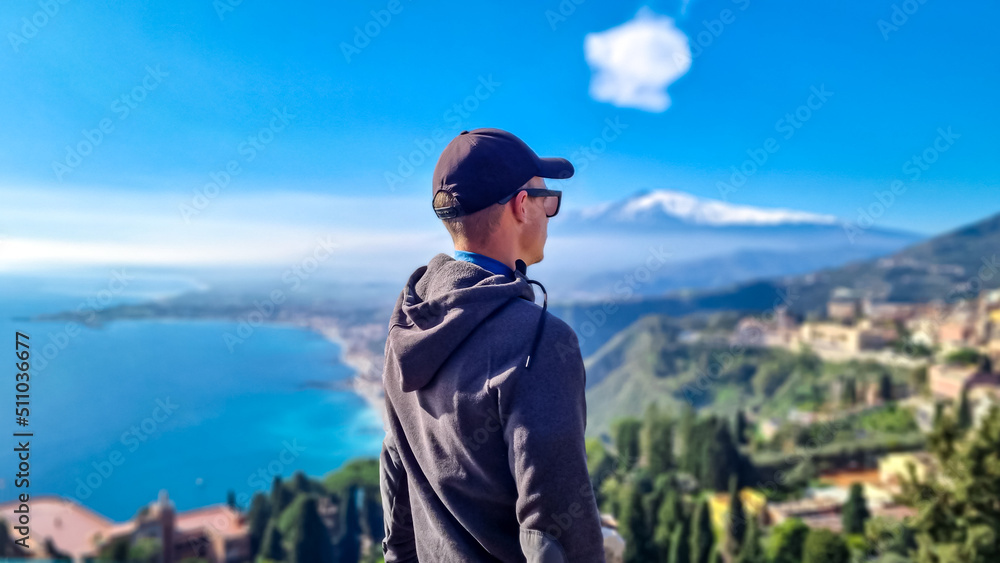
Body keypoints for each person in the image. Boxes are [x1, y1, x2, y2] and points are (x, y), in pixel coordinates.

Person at [379, 128, 606, 562]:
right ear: (522, 205)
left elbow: (396, 466)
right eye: (547, 199)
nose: (548, 210)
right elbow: (556, 530)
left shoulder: (406, 325)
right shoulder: (538, 339)